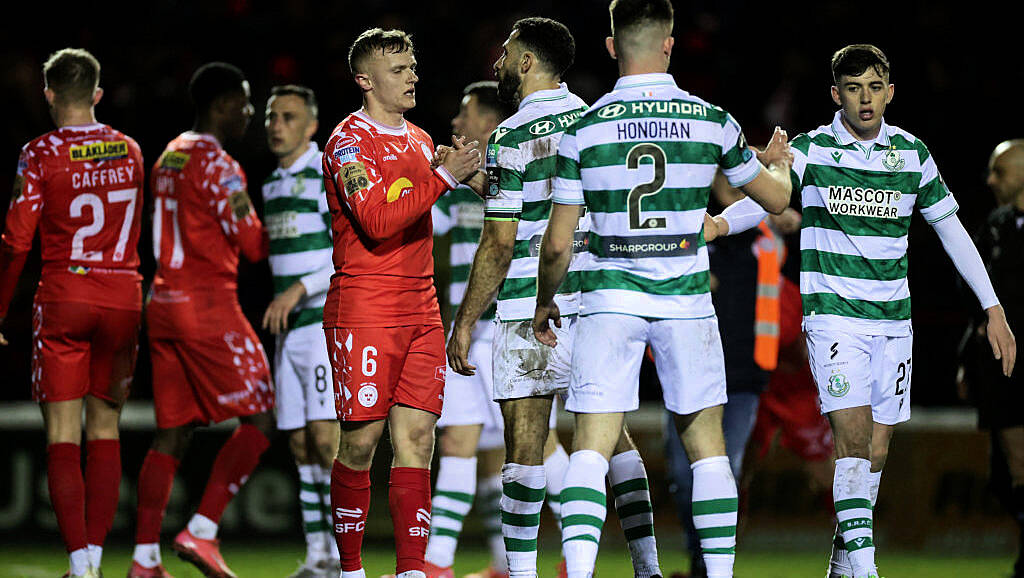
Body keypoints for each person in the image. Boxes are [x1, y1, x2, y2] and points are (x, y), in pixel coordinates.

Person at [710, 44, 1016, 578]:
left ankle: (840, 568)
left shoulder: (912, 156)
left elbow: (953, 232)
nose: (865, 98)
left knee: (873, 455)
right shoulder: (813, 149)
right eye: (854, 89)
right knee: (850, 445)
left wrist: (993, 306)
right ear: (837, 95)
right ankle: (868, 572)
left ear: (890, 92)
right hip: (834, 320)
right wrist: (717, 223)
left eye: (875, 87)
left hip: (894, 324)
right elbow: (769, 197)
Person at [531, 1, 793, 576]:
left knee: (591, 448)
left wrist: (547, 298)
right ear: (670, 45)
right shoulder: (711, 120)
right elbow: (775, 201)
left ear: (610, 47)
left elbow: (557, 244)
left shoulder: (584, 128)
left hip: (609, 299)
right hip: (685, 302)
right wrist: (781, 166)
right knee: (708, 453)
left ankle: (579, 572)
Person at [447, 17, 662, 578]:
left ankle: (521, 574)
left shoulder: (513, 137)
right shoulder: (596, 124)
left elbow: (498, 241)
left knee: (525, 447)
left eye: (505, 52)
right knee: (613, 439)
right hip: (597, 303)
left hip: (524, 306)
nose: (497, 62)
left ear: (525, 63)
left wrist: (466, 320)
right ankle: (647, 566)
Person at [321, 28, 481, 578]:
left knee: (417, 439)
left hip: (422, 310)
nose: (413, 75)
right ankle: (350, 569)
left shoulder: (417, 139)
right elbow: (377, 221)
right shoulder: (348, 143)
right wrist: (443, 176)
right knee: (361, 442)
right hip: (364, 309)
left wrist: (472, 176)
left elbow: (433, 193)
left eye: (413, 66)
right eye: (399, 69)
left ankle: (412, 570)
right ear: (365, 81)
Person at [0, 48, 144, 578]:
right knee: (104, 429)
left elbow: (16, 241)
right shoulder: (129, 150)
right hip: (123, 297)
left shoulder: (39, 153)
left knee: (62, 432)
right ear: (98, 95)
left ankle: (80, 566)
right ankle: (99, 559)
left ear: (49, 94)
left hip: (65, 293)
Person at [129, 62, 274, 578]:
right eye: (245, 101)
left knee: (172, 432)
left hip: (162, 302)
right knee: (261, 415)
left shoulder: (169, 153)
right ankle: (203, 530)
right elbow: (253, 243)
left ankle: (144, 559)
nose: (251, 112)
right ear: (221, 106)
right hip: (207, 305)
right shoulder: (220, 165)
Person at [661, 174, 790, 578]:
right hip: (689, 371)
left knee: (725, 470)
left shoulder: (768, 238)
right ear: (712, 182)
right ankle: (698, 559)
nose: (739, 186)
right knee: (683, 476)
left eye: (748, 180)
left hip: (744, 379)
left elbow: (779, 217)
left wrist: (780, 208)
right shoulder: (692, 232)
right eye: (731, 178)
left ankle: (709, 568)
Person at [425, 80, 515, 578]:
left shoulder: (519, 166)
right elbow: (424, 222)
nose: (457, 123)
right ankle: (439, 564)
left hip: (505, 327)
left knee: (532, 448)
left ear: (491, 121)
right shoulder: (461, 180)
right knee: (460, 441)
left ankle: (570, 555)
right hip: (462, 329)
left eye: (466, 114)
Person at [261, 84, 340, 578]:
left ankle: (344, 552)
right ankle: (318, 555)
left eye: (288, 117)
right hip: (287, 334)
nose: (275, 125)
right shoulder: (269, 184)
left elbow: (346, 252)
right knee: (296, 442)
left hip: (319, 326)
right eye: (271, 116)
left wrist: (298, 290)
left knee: (325, 439)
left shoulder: (322, 175)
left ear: (310, 126)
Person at [959, 139, 1024, 578]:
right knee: (1005, 475)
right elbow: (977, 303)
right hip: (1003, 370)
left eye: (999, 172)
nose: (990, 181)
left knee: (1019, 466)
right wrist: (967, 356)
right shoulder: (997, 226)